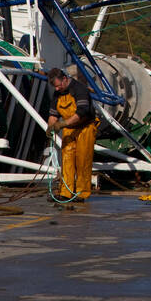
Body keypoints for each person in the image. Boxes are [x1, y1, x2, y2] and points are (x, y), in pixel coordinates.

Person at [47, 67, 98, 202]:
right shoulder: (57, 93)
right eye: (55, 87)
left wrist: (62, 124)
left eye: (58, 86)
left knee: (83, 161)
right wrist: (50, 127)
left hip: (85, 128)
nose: (56, 89)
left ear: (64, 79)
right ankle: (65, 192)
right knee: (66, 161)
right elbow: (53, 114)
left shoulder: (79, 89)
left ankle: (82, 193)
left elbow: (82, 112)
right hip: (69, 129)